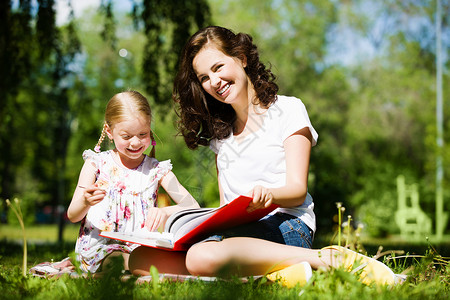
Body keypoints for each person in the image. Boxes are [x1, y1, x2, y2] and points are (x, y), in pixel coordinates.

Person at [129, 26, 397, 286]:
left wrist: (268, 194)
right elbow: (225, 208)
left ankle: (324, 258)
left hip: (287, 225)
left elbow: (296, 190)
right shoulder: (221, 137)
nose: (214, 82)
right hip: (239, 233)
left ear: (242, 59)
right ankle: (275, 274)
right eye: (204, 78)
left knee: (202, 256)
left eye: (218, 67)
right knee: (140, 259)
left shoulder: (288, 109)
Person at [67, 90, 200, 274]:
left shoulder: (156, 170)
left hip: (140, 248)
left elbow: (192, 206)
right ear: (109, 131)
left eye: (142, 134)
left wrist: (164, 211)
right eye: (127, 136)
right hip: (102, 251)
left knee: (147, 259)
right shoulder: (96, 164)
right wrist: (85, 202)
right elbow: (73, 215)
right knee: (118, 262)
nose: (136, 142)